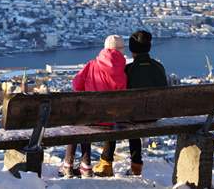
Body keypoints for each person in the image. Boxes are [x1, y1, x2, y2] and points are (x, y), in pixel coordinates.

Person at [93, 30, 168, 177]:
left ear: (132, 50)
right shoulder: (159, 67)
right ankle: (136, 165)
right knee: (132, 115)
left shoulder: (129, 70)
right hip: (155, 115)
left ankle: (106, 163)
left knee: (116, 116)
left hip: (133, 116)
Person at [60, 35, 127, 178]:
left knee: (79, 122)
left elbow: (76, 85)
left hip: (90, 117)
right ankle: (85, 166)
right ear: (121, 50)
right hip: (110, 119)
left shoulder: (92, 64)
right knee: (85, 121)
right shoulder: (122, 72)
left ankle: (72, 165)